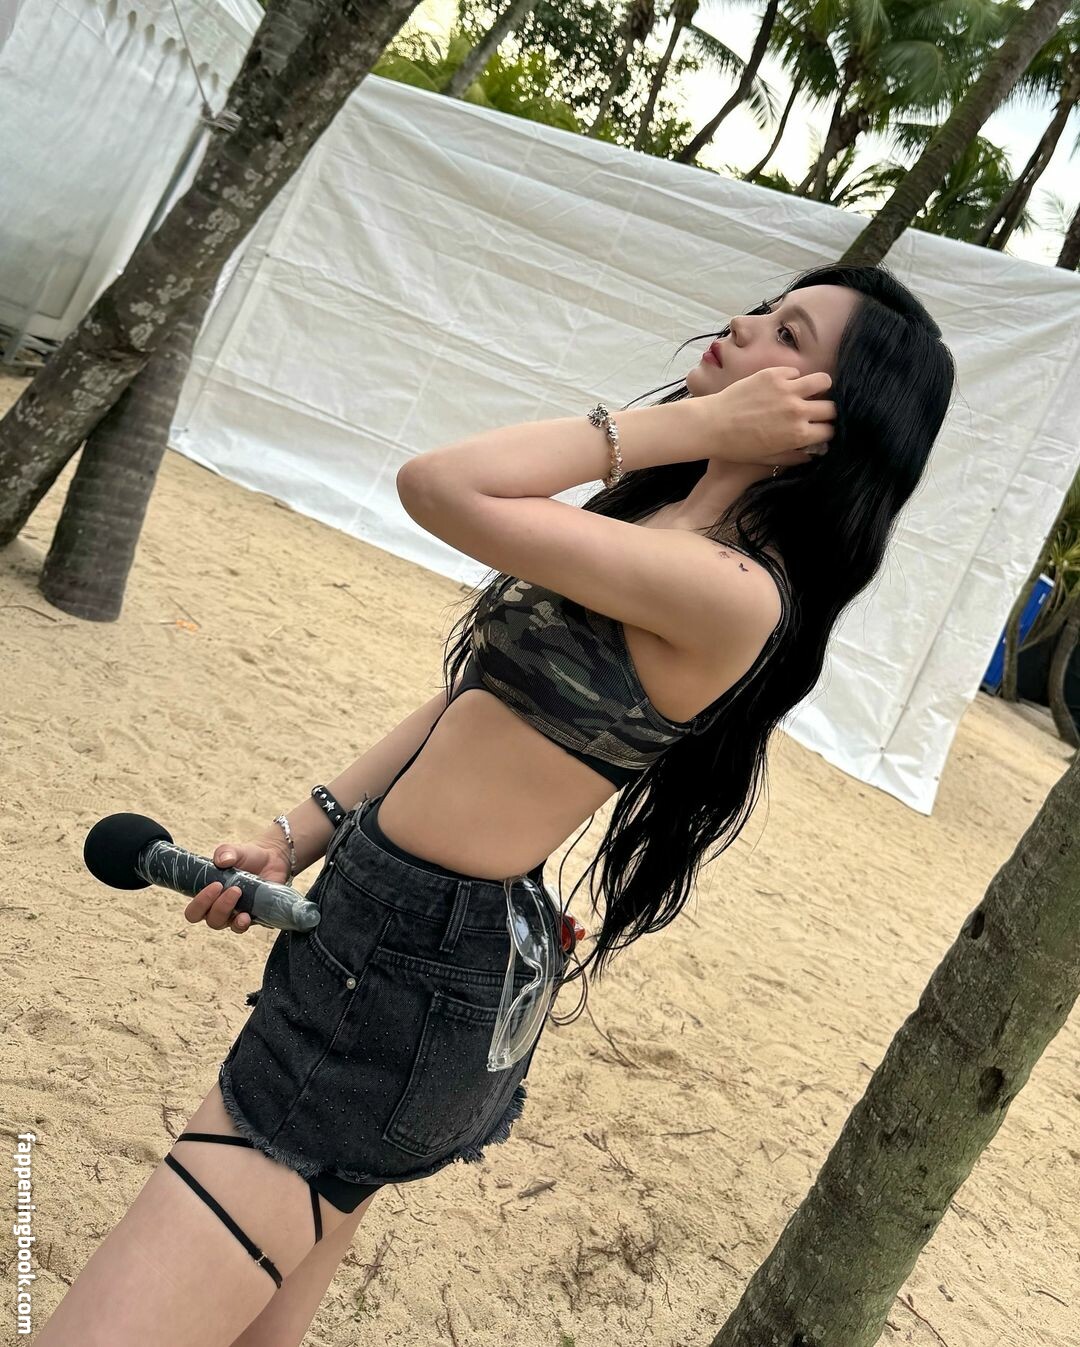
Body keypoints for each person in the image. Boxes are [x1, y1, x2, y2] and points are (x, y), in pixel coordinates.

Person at [38, 262, 955, 1347]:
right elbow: (474, 699)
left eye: (787, 334)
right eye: (763, 308)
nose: (744, 325)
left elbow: (439, 484)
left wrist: (687, 424)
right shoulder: (663, 523)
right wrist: (294, 836)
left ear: (826, 422)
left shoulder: (737, 591)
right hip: (400, 939)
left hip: (411, 970)